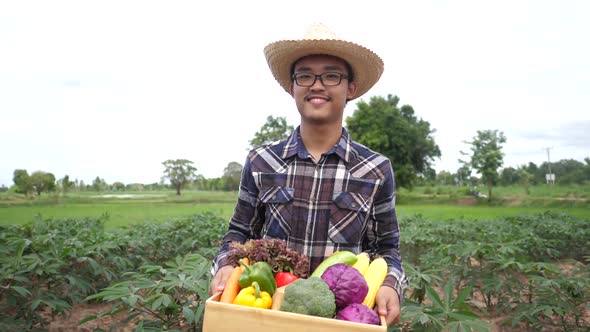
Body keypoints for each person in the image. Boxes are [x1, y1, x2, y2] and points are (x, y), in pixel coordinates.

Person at [209, 23, 408, 325]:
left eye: (331, 75)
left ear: (350, 88)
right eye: (305, 75)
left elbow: (386, 249)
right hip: (265, 316)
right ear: (292, 87)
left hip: (340, 321)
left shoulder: (375, 168)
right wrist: (225, 265)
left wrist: (391, 284)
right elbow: (238, 234)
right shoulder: (262, 161)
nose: (317, 85)